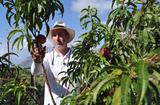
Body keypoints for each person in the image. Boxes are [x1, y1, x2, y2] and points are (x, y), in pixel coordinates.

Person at [30, 21, 75, 105]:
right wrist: (37, 60)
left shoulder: (76, 58)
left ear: (67, 36)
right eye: (54, 35)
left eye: (60, 34)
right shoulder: (47, 57)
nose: (57, 38)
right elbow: (35, 72)